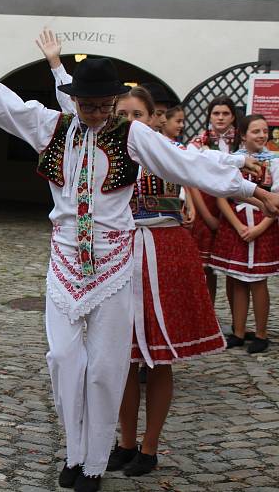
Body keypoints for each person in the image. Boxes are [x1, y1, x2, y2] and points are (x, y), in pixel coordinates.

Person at [0, 16, 276, 492]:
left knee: (108, 364)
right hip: (66, 260)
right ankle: (73, 450)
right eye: (86, 104)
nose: (93, 112)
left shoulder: (133, 136)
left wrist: (251, 191)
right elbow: (0, 103)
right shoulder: (52, 127)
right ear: (72, 99)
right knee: (64, 358)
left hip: (114, 261)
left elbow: (189, 163)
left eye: (102, 105)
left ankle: (91, 465)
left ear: (112, 102)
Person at [102, 87, 226, 478]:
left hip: (165, 250)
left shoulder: (167, 150)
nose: (130, 120)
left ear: (154, 117)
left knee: (158, 357)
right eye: (122, 112)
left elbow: (207, 164)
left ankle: (150, 447)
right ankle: (125, 441)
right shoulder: (103, 152)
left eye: (138, 113)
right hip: (118, 252)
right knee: (122, 357)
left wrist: (249, 181)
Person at [210, 114, 279, 354]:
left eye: (264, 131)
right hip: (236, 222)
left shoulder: (275, 160)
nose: (261, 135)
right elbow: (221, 193)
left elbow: (276, 198)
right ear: (243, 134)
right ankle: (238, 331)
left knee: (259, 281)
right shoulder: (233, 160)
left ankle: (261, 333)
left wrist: (260, 227)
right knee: (237, 280)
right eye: (255, 131)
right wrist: (238, 227)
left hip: (264, 223)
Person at [188, 97, 239, 304]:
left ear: (233, 116)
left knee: (233, 268)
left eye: (225, 113)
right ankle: (210, 317)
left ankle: (238, 323)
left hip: (235, 203)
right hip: (205, 203)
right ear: (209, 116)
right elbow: (190, 178)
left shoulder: (240, 141)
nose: (220, 118)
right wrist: (206, 215)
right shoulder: (198, 142)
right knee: (206, 267)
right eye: (216, 113)